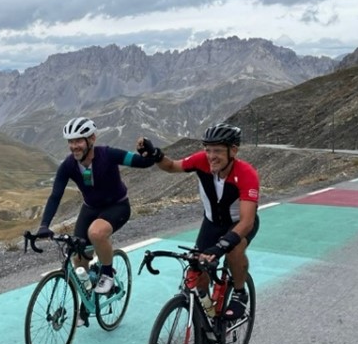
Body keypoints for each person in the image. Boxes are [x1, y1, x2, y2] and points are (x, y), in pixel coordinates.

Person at [137, 123, 259, 324]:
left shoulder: (246, 174)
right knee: (196, 273)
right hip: (212, 223)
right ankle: (205, 326)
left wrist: (222, 245)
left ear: (233, 150)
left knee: (234, 250)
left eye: (218, 151)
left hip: (238, 225)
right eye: (208, 150)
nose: (211, 156)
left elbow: (247, 221)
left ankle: (239, 293)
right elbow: (171, 166)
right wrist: (155, 154)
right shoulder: (202, 161)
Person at [36, 116, 156, 304]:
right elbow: (55, 196)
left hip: (117, 206)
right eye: (70, 141)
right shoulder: (68, 165)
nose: (74, 146)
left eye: (78, 141)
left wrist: (151, 151)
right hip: (90, 209)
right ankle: (85, 305)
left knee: (96, 233)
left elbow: (143, 162)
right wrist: (44, 225)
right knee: (79, 262)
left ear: (91, 139)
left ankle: (107, 274)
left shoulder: (108, 154)